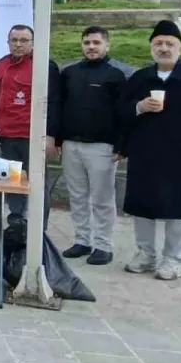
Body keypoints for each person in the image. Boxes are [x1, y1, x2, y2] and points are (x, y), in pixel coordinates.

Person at [116, 20, 181, 281]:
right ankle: (146, 255)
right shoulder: (140, 78)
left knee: (177, 208)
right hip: (144, 153)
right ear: (151, 47)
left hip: (180, 155)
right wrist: (139, 107)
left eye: (169, 44)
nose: (164, 48)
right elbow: (121, 113)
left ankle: (173, 260)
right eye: (158, 44)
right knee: (141, 205)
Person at [57, 26, 131, 266]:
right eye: (87, 42)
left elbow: (124, 115)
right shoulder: (69, 73)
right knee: (77, 196)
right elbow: (60, 107)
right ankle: (82, 240)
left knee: (102, 199)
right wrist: (57, 139)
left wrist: (122, 145)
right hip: (71, 144)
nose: (91, 47)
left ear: (106, 46)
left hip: (102, 147)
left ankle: (103, 245)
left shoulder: (116, 76)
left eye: (96, 43)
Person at [0, 24, 61, 224]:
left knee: (37, 183)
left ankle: (40, 226)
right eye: (14, 40)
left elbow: (54, 101)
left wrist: (50, 135)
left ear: (33, 43)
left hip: (32, 136)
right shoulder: (1, 64)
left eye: (24, 40)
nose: (18, 44)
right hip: (6, 136)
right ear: (8, 42)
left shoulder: (44, 65)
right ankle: (16, 221)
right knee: (14, 181)